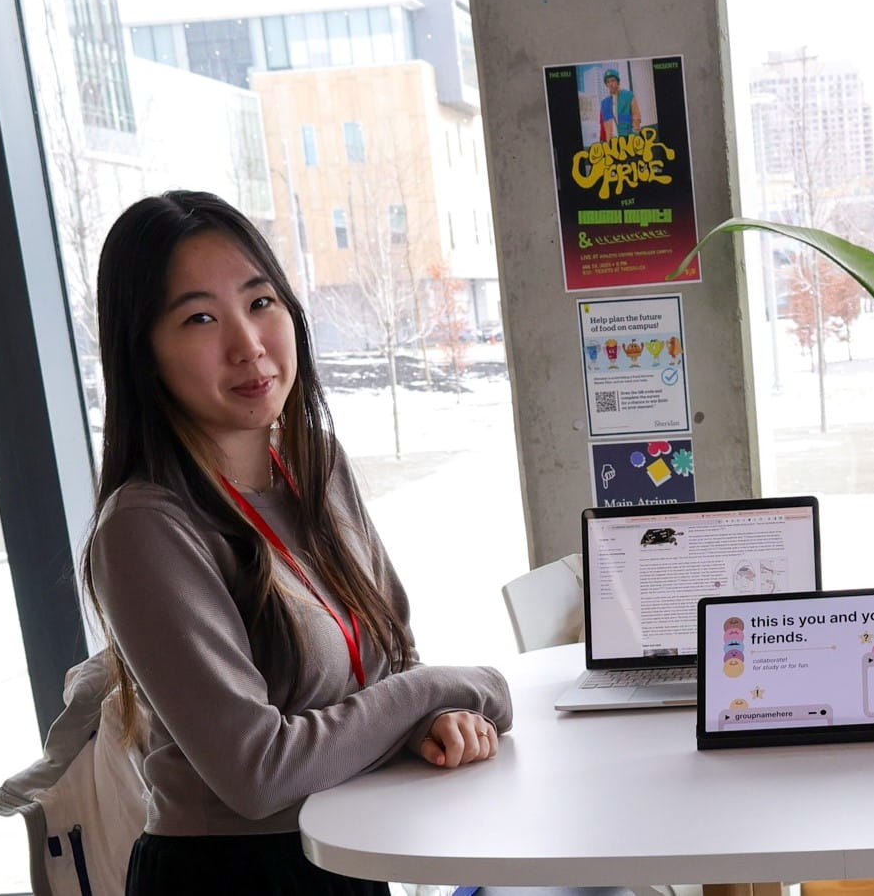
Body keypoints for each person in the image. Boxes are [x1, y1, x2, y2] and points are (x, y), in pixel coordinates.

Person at [81, 191, 513, 894]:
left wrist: (434, 717)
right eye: (199, 317)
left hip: (350, 853)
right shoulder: (144, 527)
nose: (248, 345)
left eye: (260, 302)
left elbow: (392, 656)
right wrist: (445, 688)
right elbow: (259, 771)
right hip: (232, 879)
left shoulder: (317, 465)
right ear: (143, 351)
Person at [599, 67, 641, 141]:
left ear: (618, 82)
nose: (610, 84)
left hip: (628, 139)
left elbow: (636, 116)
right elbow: (603, 126)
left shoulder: (628, 95)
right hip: (612, 143)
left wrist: (634, 136)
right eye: (608, 82)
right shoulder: (604, 103)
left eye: (612, 80)